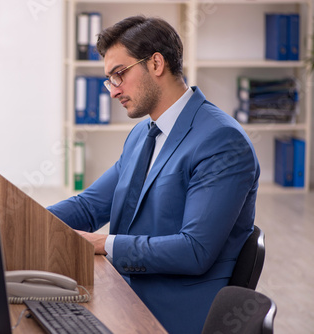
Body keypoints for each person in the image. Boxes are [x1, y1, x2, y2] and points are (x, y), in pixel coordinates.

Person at [47, 16, 260, 334]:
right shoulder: (141, 135)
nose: (113, 91)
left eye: (119, 74)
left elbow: (194, 251)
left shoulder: (221, 140)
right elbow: (89, 208)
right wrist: (18, 222)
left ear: (156, 63)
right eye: (109, 80)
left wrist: (104, 243)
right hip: (126, 290)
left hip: (174, 312)